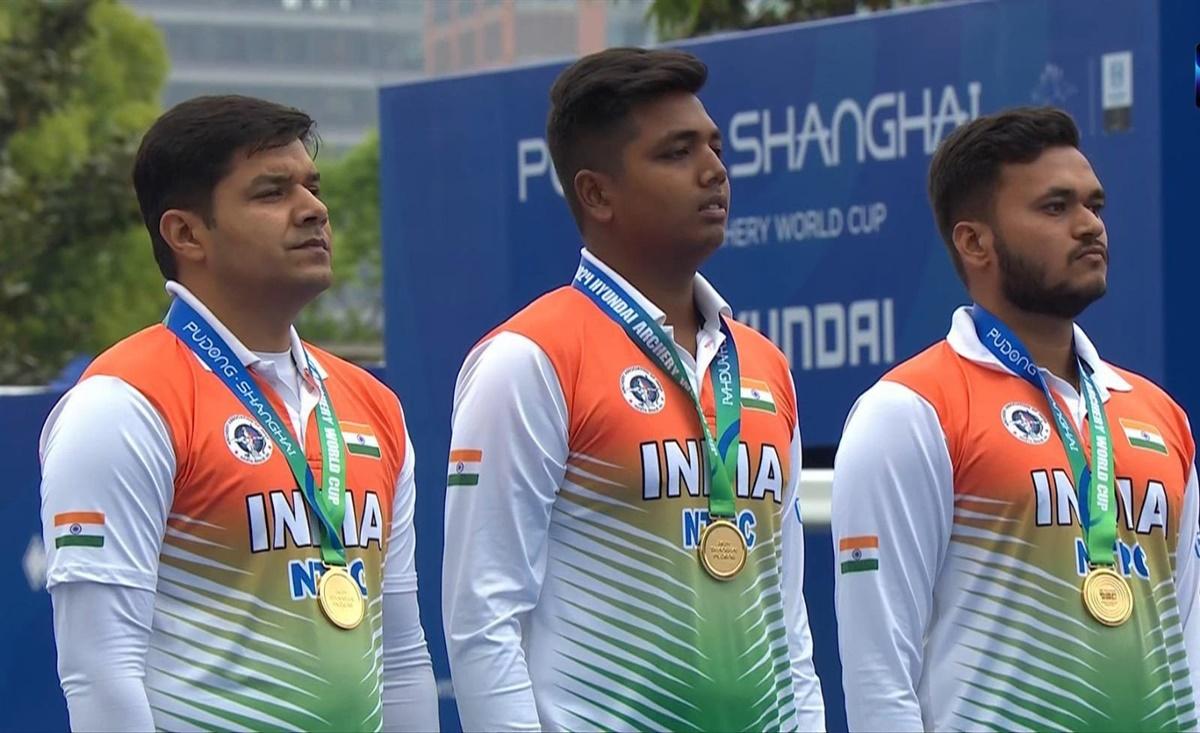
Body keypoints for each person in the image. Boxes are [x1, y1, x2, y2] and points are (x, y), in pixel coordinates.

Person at [441, 47, 825, 732]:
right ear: (596, 193)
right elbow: (483, 617)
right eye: (677, 153)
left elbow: (787, 617)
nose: (715, 171)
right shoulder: (529, 359)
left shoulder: (764, 365)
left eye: (714, 146)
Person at [38, 95, 439, 732]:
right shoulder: (122, 402)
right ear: (186, 233)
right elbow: (101, 669)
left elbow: (402, 656)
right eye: (271, 192)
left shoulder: (373, 405)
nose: (314, 209)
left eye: (312, 186)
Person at [832, 106, 1200, 731]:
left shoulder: (1159, 414)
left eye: (1094, 205)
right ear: (975, 241)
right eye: (1056, 208)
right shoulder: (910, 409)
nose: (1089, 226)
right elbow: (878, 672)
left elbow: (1188, 634)